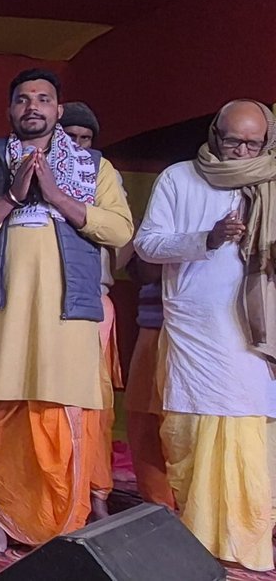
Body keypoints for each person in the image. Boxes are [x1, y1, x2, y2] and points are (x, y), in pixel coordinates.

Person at [0, 69, 134, 552]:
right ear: (11, 110)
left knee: (60, 417)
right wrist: (11, 196)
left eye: (43, 99)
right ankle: (3, 518)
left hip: (67, 316)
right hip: (2, 314)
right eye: (23, 99)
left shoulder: (95, 169)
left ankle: (60, 520)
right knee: (3, 417)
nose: (33, 107)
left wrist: (56, 196)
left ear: (58, 109)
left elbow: (119, 230)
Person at [135, 99, 276, 572]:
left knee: (250, 434)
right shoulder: (179, 178)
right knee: (192, 433)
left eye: (253, 143)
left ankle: (245, 544)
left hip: (255, 334)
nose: (243, 151)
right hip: (195, 328)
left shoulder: (272, 181)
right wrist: (207, 239)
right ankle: (197, 539)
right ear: (216, 134)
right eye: (234, 141)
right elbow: (147, 244)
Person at [61, 100, 124, 519]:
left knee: (95, 404)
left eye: (86, 138)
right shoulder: (39, 167)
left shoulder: (105, 174)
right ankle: (59, 491)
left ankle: (96, 491)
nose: (79, 145)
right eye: (72, 136)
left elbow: (123, 237)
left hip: (93, 301)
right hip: (47, 302)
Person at [123, 258, 173, 509]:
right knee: (145, 422)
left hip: (213, 331)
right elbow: (143, 270)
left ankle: (197, 512)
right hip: (154, 324)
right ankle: (158, 509)